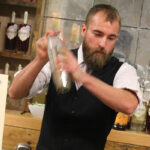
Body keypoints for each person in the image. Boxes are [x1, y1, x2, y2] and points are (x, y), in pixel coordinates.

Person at [9, 4, 142, 150]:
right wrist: (39, 60)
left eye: (111, 38)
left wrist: (81, 76)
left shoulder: (122, 70)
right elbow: (15, 92)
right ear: (84, 30)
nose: (103, 44)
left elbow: (129, 105)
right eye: (97, 34)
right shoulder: (60, 58)